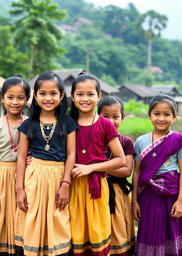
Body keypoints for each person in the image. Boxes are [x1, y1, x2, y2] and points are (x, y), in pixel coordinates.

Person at [14, 71, 77, 256]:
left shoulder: (67, 122)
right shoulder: (28, 124)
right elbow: (21, 156)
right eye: (42, 93)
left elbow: (71, 154)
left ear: (62, 96)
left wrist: (66, 183)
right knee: (33, 217)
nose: (48, 98)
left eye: (53, 93)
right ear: (35, 96)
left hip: (59, 177)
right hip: (34, 177)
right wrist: (19, 189)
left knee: (58, 218)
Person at [69, 72, 126, 256]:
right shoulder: (67, 123)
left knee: (97, 232)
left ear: (99, 96)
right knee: (75, 234)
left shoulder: (105, 124)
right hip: (71, 187)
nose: (85, 99)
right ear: (72, 96)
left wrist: (91, 167)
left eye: (90, 94)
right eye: (80, 94)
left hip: (97, 189)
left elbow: (120, 159)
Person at [0, 75, 30, 256]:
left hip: (26, 176)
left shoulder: (31, 123)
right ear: (2, 98)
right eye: (10, 97)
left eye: (20, 97)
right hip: (2, 176)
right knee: (1, 217)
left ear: (27, 99)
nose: (15, 102)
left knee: (22, 215)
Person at [132, 94, 182, 256]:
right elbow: (137, 172)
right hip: (148, 196)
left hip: (171, 196)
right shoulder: (140, 141)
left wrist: (181, 201)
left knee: (170, 232)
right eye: (157, 114)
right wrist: (134, 201)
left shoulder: (178, 139)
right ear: (149, 115)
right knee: (149, 231)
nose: (161, 118)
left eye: (167, 114)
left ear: (175, 117)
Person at [98, 96, 135, 256]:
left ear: (122, 118)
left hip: (118, 194)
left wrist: (97, 168)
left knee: (118, 231)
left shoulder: (126, 142)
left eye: (115, 116)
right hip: (96, 192)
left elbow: (126, 170)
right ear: (97, 116)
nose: (110, 121)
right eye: (105, 116)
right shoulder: (92, 139)